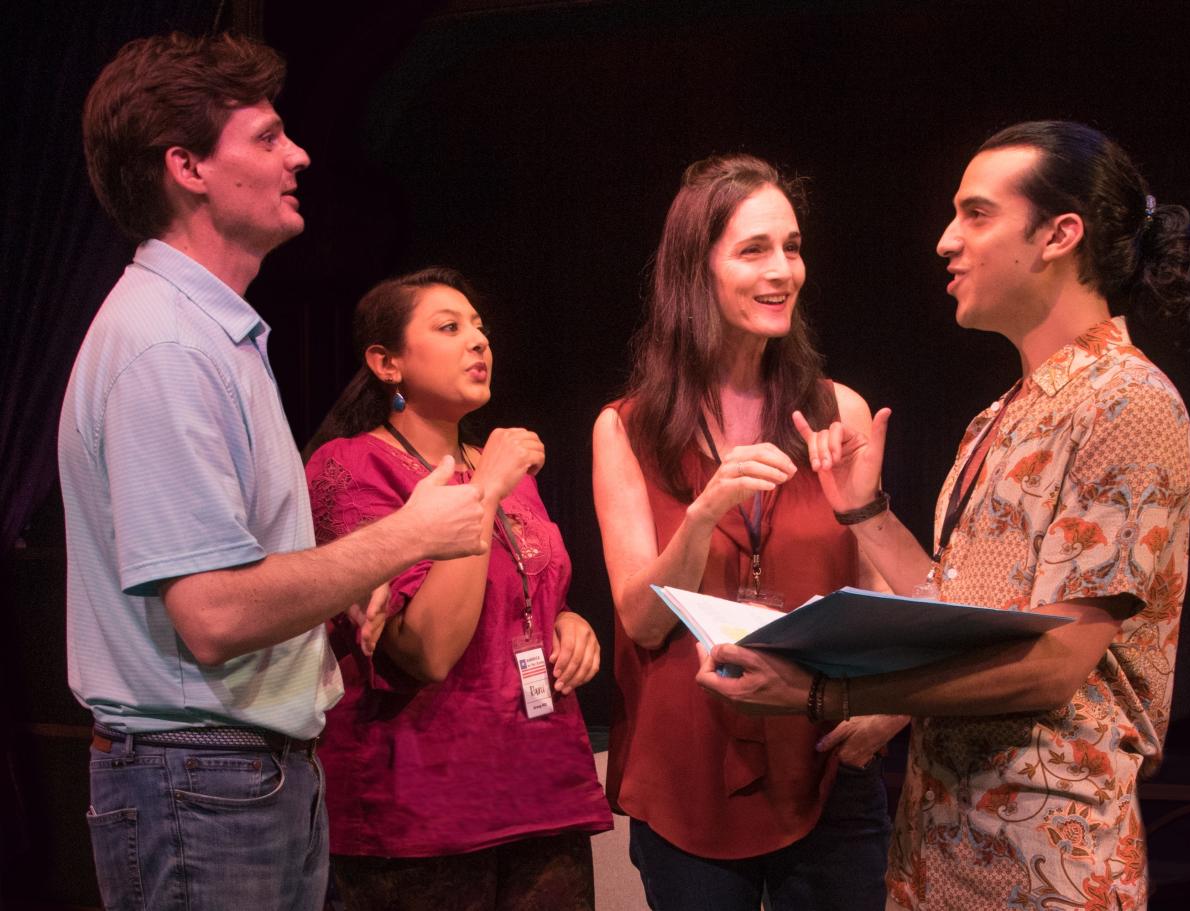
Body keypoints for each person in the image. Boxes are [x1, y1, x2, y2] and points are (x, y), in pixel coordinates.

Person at [696, 122, 1190, 910]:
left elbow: (1054, 663)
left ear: (1058, 234)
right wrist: (864, 514)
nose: (945, 241)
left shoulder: (1125, 403)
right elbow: (963, 612)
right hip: (943, 848)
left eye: (975, 214)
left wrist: (821, 697)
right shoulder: (1001, 413)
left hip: (1045, 867)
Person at [61, 33, 486, 911]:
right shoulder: (166, 347)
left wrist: (335, 589)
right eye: (265, 137)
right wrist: (402, 538)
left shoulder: (213, 333)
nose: (295, 155)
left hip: (241, 774)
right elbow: (212, 614)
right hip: (200, 781)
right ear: (186, 166)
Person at [592, 153, 907, 910]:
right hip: (687, 768)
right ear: (694, 271)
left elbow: (881, 597)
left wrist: (889, 705)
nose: (782, 271)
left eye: (791, 246)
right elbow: (639, 616)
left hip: (824, 752)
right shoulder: (626, 428)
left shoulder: (840, 412)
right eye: (753, 249)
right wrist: (703, 512)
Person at [304, 267, 613, 911]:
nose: (478, 341)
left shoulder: (497, 469)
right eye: (450, 328)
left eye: (480, 328)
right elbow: (426, 651)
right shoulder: (351, 465)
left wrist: (565, 622)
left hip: (537, 783)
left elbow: (519, 592)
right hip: (421, 805)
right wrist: (487, 488)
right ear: (386, 363)